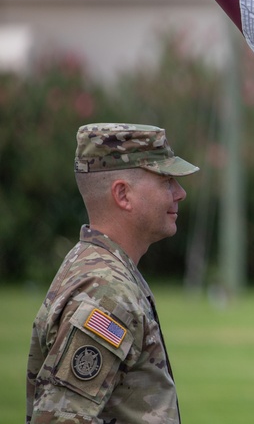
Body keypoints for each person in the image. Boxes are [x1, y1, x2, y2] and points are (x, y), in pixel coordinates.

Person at [26, 122, 199, 423]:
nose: (180, 192)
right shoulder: (106, 293)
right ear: (123, 195)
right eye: (166, 180)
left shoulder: (101, 268)